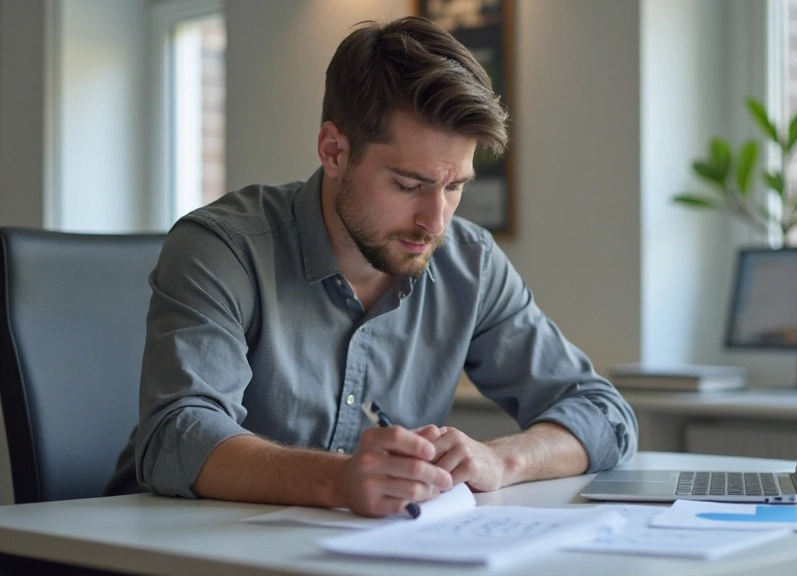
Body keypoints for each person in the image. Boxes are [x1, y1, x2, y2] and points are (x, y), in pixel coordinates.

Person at [105, 16, 637, 518]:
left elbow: (603, 413)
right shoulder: (222, 249)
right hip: (172, 553)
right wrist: (337, 481)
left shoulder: (469, 263)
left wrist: (502, 460)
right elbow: (177, 435)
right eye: (409, 185)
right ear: (334, 150)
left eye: (455, 187)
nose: (436, 220)